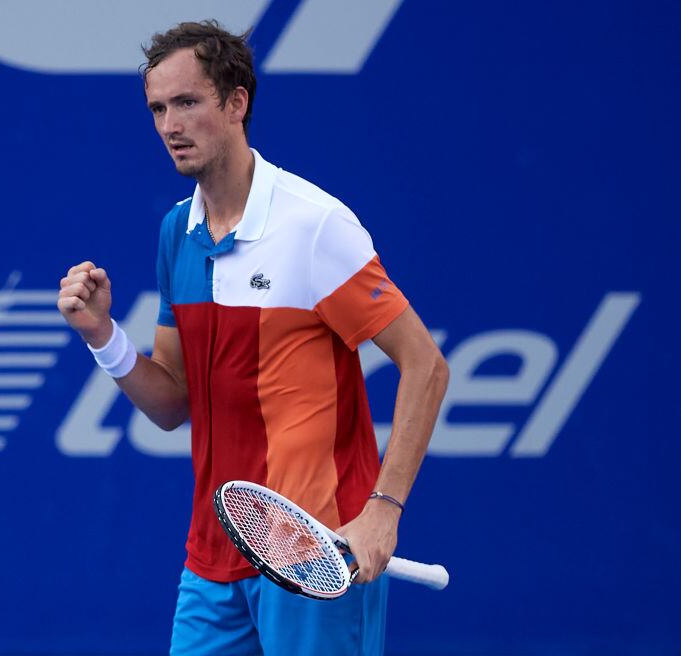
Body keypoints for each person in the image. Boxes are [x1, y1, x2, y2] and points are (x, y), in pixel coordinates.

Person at [57, 20, 448, 656]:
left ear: (237, 102)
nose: (169, 125)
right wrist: (103, 335)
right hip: (215, 555)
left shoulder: (315, 225)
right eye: (158, 108)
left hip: (315, 552)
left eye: (187, 102)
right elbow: (173, 403)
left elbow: (426, 367)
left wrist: (384, 509)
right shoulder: (175, 232)